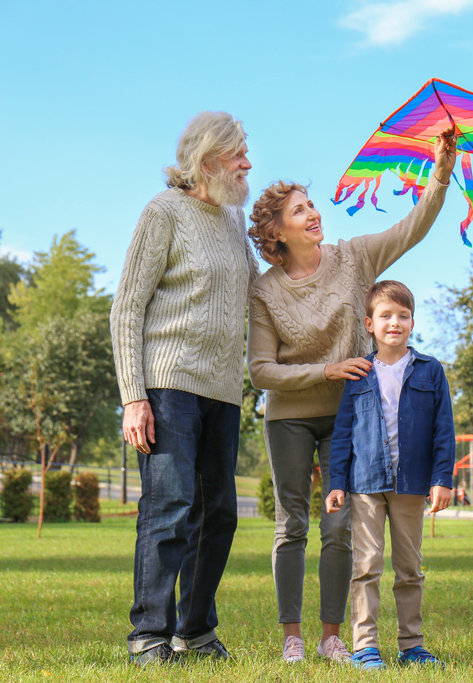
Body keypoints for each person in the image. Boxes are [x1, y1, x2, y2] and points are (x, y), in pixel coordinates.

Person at [246, 129, 456, 664]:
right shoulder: (266, 290)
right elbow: (261, 370)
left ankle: (334, 636)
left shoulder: (353, 258)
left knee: (339, 524)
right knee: (292, 523)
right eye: (299, 210)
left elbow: (413, 227)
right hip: (290, 417)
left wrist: (441, 168)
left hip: (347, 417)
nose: (313, 214)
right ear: (277, 230)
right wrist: (327, 368)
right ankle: (292, 635)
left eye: (312, 204)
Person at [110, 111, 258, 665]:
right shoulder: (163, 212)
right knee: (170, 505)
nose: (248, 162)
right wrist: (134, 395)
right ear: (209, 158)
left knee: (219, 512)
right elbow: (127, 309)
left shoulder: (230, 222)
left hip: (222, 390)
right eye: (240, 152)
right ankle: (149, 634)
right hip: (167, 383)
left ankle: (194, 631)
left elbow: (257, 291)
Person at [324, 280, 455, 671]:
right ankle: (365, 646)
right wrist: (336, 482)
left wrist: (442, 478)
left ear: (412, 322)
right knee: (366, 566)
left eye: (402, 315)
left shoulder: (430, 371)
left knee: (409, 569)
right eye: (385, 316)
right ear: (369, 323)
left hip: (412, 484)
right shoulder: (360, 373)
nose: (394, 322)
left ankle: (412, 645)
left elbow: (443, 429)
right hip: (365, 484)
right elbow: (343, 431)